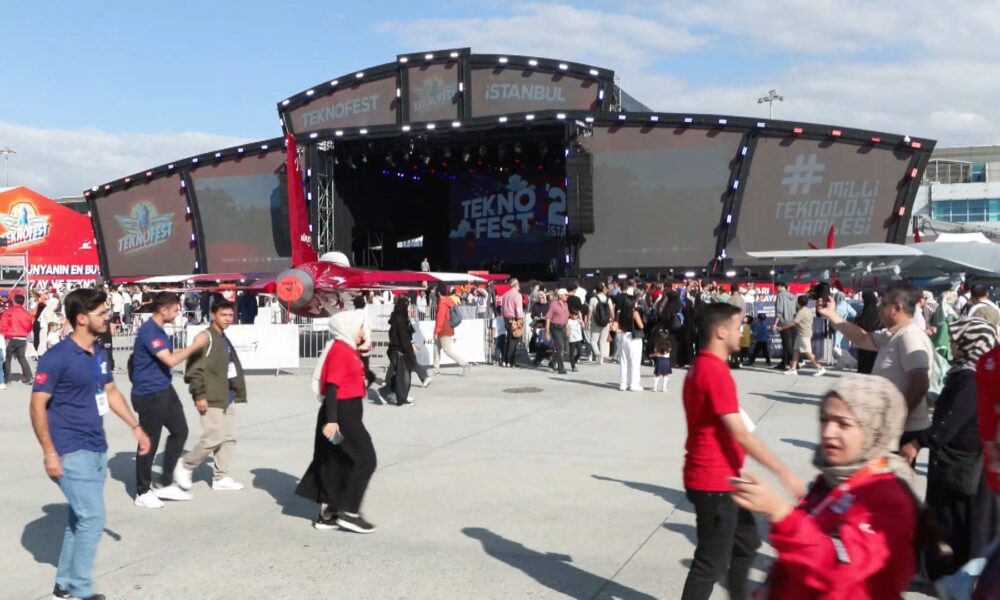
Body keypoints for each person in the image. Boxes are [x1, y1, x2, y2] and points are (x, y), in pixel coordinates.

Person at [731, 375, 918, 599]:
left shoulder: (888, 497)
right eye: (824, 419)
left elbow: (838, 568)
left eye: (843, 424)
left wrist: (781, 514)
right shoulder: (832, 479)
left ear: (874, 430)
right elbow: (799, 554)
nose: (828, 432)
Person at [29, 288, 153, 600]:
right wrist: (49, 452)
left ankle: (64, 585)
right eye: (101, 313)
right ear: (82, 319)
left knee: (79, 518)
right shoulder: (56, 358)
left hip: (96, 448)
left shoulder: (98, 353)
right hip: (68, 450)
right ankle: (82, 590)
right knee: (92, 517)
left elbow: (110, 392)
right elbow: (37, 405)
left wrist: (135, 426)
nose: (107, 317)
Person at [681, 302, 805, 600]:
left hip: (722, 477)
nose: (742, 332)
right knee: (710, 562)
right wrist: (783, 471)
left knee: (747, 542)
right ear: (721, 332)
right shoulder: (714, 371)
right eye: (738, 327)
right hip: (713, 481)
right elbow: (740, 433)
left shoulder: (704, 367)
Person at [901, 318, 999, 580]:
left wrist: (919, 442)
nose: (952, 343)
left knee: (955, 521)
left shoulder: (971, 378)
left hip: (962, 462)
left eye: (957, 339)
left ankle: (953, 575)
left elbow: (951, 421)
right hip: (966, 459)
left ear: (970, 343)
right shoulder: (970, 373)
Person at [295, 309, 378, 533]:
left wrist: (364, 354)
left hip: (345, 413)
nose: (364, 332)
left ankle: (329, 514)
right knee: (365, 459)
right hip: (342, 416)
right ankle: (348, 512)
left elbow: (365, 378)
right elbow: (332, 387)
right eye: (361, 328)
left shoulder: (349, 349)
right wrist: (332, 422)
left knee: (336, 460)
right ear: (347, 328)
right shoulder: (340, 351)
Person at [820, 283, 932, 448]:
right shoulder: (894, 335)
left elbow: (920, 383)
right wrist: (832, 315)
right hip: (890, 429)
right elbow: (862, 338)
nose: (879, 307)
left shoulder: (910, 336)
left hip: (901, 432)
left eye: (884, 303)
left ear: (896, 308)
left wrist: (895, 421)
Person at [128, 292, 208, 508]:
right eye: (175, 309)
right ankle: (142, 491)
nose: (178, 312)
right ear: (163, 310)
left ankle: (166, 483)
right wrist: (195, 346)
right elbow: (170, 360)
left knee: (180, 431)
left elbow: (167, 356)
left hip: (164, 388)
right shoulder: (150, 331)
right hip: (149, 393)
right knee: (149, 441)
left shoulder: (159, 329)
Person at [173, 300, 247, 492]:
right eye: (224, 315)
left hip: (226, 396)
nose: (228, 319)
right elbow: (193, 370)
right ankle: (185, 465)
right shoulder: (205, 337)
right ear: (213, 315)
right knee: (213, 437)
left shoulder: (223, 337)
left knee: (229, 438)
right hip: (210, 396)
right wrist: (199, 395)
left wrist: (235, 390)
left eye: (231, 315)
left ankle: (221, 477)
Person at [380, 296, 420, 406]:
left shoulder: (402, 318)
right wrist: (410, 350)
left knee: (398, 374)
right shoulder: (399, 320)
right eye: (408, 306)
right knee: (401, 375)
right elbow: (403, 337)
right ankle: (396, 395)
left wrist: (411, 344)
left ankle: (396, 395)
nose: (410, 308)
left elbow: (407, 334)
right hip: (398, 350)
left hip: (399, 350)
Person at [783, 295, 827, 377]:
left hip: (804, 334)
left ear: (798, 303)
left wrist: (782, 328)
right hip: (801, 333)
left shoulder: (801, 312)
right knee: (796, 351)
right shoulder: (808, 310)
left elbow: (794, 323)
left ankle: (820, 368)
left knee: (807, 352)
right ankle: (793, 369)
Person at [433, 284, 470, 375]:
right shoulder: (449, 300)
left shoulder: (442, 303)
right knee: (436, 348)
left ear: (438, 292)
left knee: (447, 350)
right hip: (447, 326)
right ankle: (435, 368)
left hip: (443, 328)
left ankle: (464, 364)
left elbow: (440, 318)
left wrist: (436, 331)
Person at [2, 293, 34, 385]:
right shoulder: (26, 313)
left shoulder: (9, 311)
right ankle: (29, 377)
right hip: (22, 338)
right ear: (23, 302)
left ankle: (7, 380)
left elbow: (4, 324)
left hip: (11, 337)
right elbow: (29, 327)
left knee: (7, 358)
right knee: (22, 358)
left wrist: (4, 336)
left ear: (14, 301)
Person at [616, 289, 645, 392]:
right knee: (634, 362)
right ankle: (634, 384)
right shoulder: (635, 313)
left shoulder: (620, 313)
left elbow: (619, 325)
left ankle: (623, 384)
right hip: (634, 338)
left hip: (624, 336)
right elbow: (641, 326)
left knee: (624, 361)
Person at [545, 289, 571, 375]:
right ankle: (561, 368)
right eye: (565, 295)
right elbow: (548, 318)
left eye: (567, 295)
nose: (567, 296)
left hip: (563, 327)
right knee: (560, 347)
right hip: (555, 327)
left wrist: (567, 327)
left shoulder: (566, 304)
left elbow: (566, 316)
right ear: (560, 295)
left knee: (566, 347)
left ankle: (553, 362)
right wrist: (547, 332)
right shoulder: (553, 304)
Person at [500, 278, 524, 368]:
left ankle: (505, 360)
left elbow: (502, 309)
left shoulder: (505, 295)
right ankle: (510, 361)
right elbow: (518, 308)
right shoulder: (517, 295)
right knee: (514, 340)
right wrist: (520, 319)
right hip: (514, 319)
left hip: (506, 318)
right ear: (516, 284)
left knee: (509, 339)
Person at [588, 282, 614, 365]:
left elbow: (590, 312)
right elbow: (612, 312)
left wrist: (588, 321)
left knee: (593, 340)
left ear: (596, 290)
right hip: (606, 322)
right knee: (602, 341)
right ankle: (600, 360)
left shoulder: (593, 299)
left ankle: (597, 353)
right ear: (603, 289)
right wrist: (611, 321)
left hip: (595, 322)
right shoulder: (608, 299)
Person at [773, 282, 797, 370]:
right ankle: (784, 362)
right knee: (789, 344)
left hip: (784, 323)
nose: (776, 289)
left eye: (776, 287)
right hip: (793, 322)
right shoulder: (793, 296)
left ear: (781, 286)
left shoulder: (780, 296)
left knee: (787, 345)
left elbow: (779, 311)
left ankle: (795, 362)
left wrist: (775, 323)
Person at [855, 290, 880, 374]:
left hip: (865, 340)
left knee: (864, 366)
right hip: (875, 341)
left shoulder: (866, 310)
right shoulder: (878, 310)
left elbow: (864, 323)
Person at [567, 307, 584, 373]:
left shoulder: (578, 320)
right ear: (571, 314)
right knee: (572, 353)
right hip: (572, 339)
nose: (575, 316)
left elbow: (583, 326)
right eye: (574, 314)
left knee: (580, 353)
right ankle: (573, 366)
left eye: (576, 315)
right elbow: (567, 328)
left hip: (579, 339)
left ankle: (574, 360)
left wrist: (581, 318)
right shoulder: (568, 321)